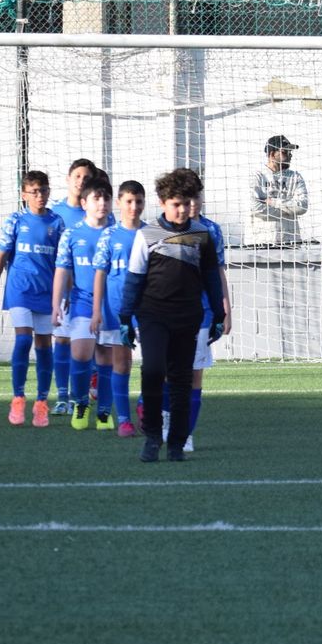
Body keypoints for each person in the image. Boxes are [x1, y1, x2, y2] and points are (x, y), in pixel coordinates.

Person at [117, 169, 225, 463]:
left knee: (181, 380)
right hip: (153, 316)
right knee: (153, 371)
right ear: (163, 203)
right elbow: (134, 279)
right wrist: (125, 318)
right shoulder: (147, 235)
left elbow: (212, 278)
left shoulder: (202, 235)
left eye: (187, 203)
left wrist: (218, 314)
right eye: (176, 204)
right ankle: (152, 437)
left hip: (187, 316)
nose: (183, 209)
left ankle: (176, 442)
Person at [0, 171, 65, 428]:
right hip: (20, 290)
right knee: (23, 339)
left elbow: (63, 263)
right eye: (34, 191)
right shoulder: (15, 220)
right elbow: (2, 255)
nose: (40, 196)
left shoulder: (57, 222)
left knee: (44, 345)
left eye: (44, 190)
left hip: (46, 292)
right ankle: (18, 398)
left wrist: (64, 294)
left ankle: (41, 402)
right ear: (24, 194)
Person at [172, 172, 231, 454]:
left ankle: (185, 433)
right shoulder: (163, 229)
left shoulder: (212, 230)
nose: (193, 203)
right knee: (168, 373)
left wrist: (225, 308)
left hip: (202, 311)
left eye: (196, 196)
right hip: (169, 311)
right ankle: (164, 420)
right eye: (187, 197)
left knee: (194, 375)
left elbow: (218, 272)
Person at [52, 173, 114, 431]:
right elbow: (62, 270)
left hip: (112, 304)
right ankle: (80, 403)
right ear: (84, 203)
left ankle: (104, 412)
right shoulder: (72, 234)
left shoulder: (117, 233)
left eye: (106, 198)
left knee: (106, 358)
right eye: (97, 198)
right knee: (80, 353)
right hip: (82, 302)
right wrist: (56, 304)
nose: (102, 203)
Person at [91, 180, 145, 437]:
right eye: (129, 201)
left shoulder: (151, 233)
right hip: (116, 310)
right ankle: (124, 419)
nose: (134, 207)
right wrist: (96, 311)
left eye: (139, 201)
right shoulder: (109, 235)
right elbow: (100, 273)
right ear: (120, 203)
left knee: (153, 364)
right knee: (122, 364)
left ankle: (145, 405)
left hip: (146, 309)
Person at [49, 157, 97, 414]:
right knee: (62, 340)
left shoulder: (98, 212)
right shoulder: (55, 213)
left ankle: (88, 391)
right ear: (68, 179)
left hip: (88, 293)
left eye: (86, 177)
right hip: (63, 291)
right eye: (77, 176)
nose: (81, 181)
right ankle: (62, 397)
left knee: (91, 345)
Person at [249, 134, 309, 246]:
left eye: (290, 152)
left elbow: (302, 206)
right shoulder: (257, 176)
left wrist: (273, 202)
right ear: (272, 154)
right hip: (261, 243)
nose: (290, 156)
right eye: (285, 152)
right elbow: (256, 208)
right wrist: (288, 211)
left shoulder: (295, 177)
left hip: (290, 242)